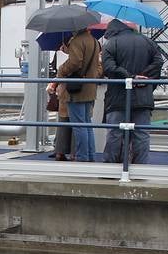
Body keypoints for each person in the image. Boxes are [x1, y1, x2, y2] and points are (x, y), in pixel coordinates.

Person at [100, 18, 162, 165]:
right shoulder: (148, 42)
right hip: (143, 96)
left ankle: (111, 167)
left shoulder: (111, 44)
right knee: (141, 134)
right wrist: (143, 78)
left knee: (115, 133)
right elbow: (158, 62)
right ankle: (140, 168)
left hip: (118, 97)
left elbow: (109, 68)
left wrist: (130, 77)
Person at [52, 27, 102, 162]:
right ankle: (90, 155)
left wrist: (61, 70)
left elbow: (75, 62)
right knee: (87, 124)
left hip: (77, 91)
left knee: (79, 125)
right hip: (90, 88)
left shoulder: (77, 41)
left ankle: (82, 156)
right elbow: (90, 61)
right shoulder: (94, 41)